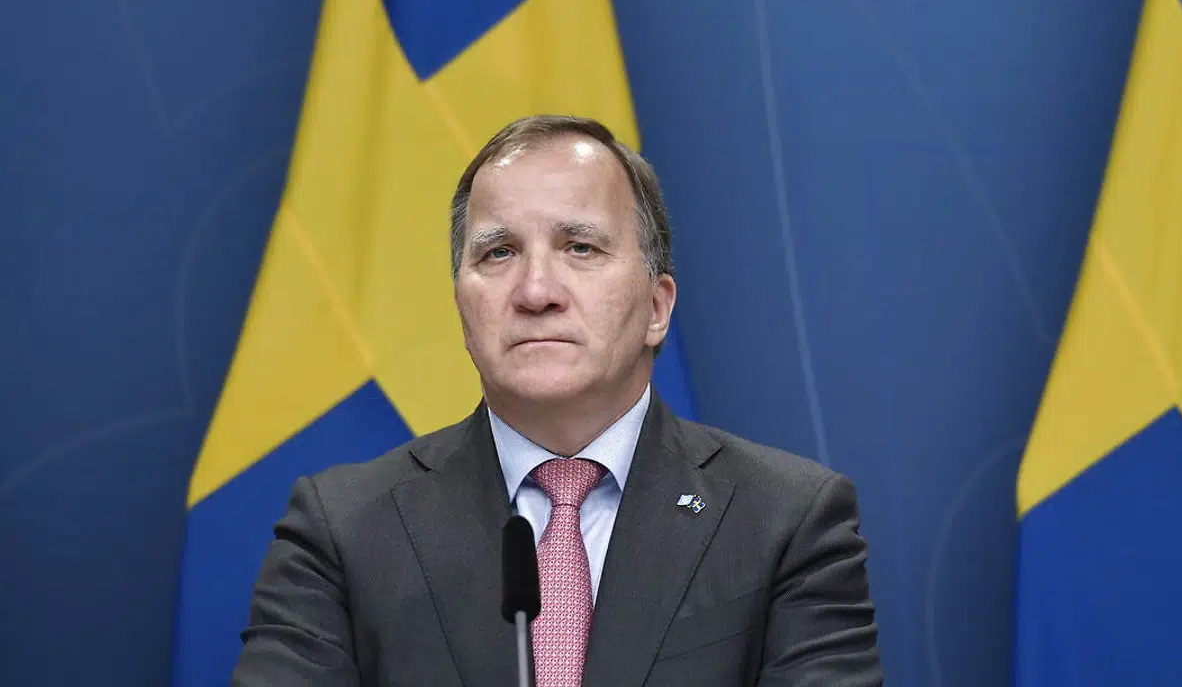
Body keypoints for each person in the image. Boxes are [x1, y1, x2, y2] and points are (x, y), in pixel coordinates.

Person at [231, 114, 883, 686]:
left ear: (657, 308)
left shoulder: (786, 522)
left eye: (580, 248)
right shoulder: (342, 530)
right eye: (499, 252)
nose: (536, 291)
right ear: (462, 305)